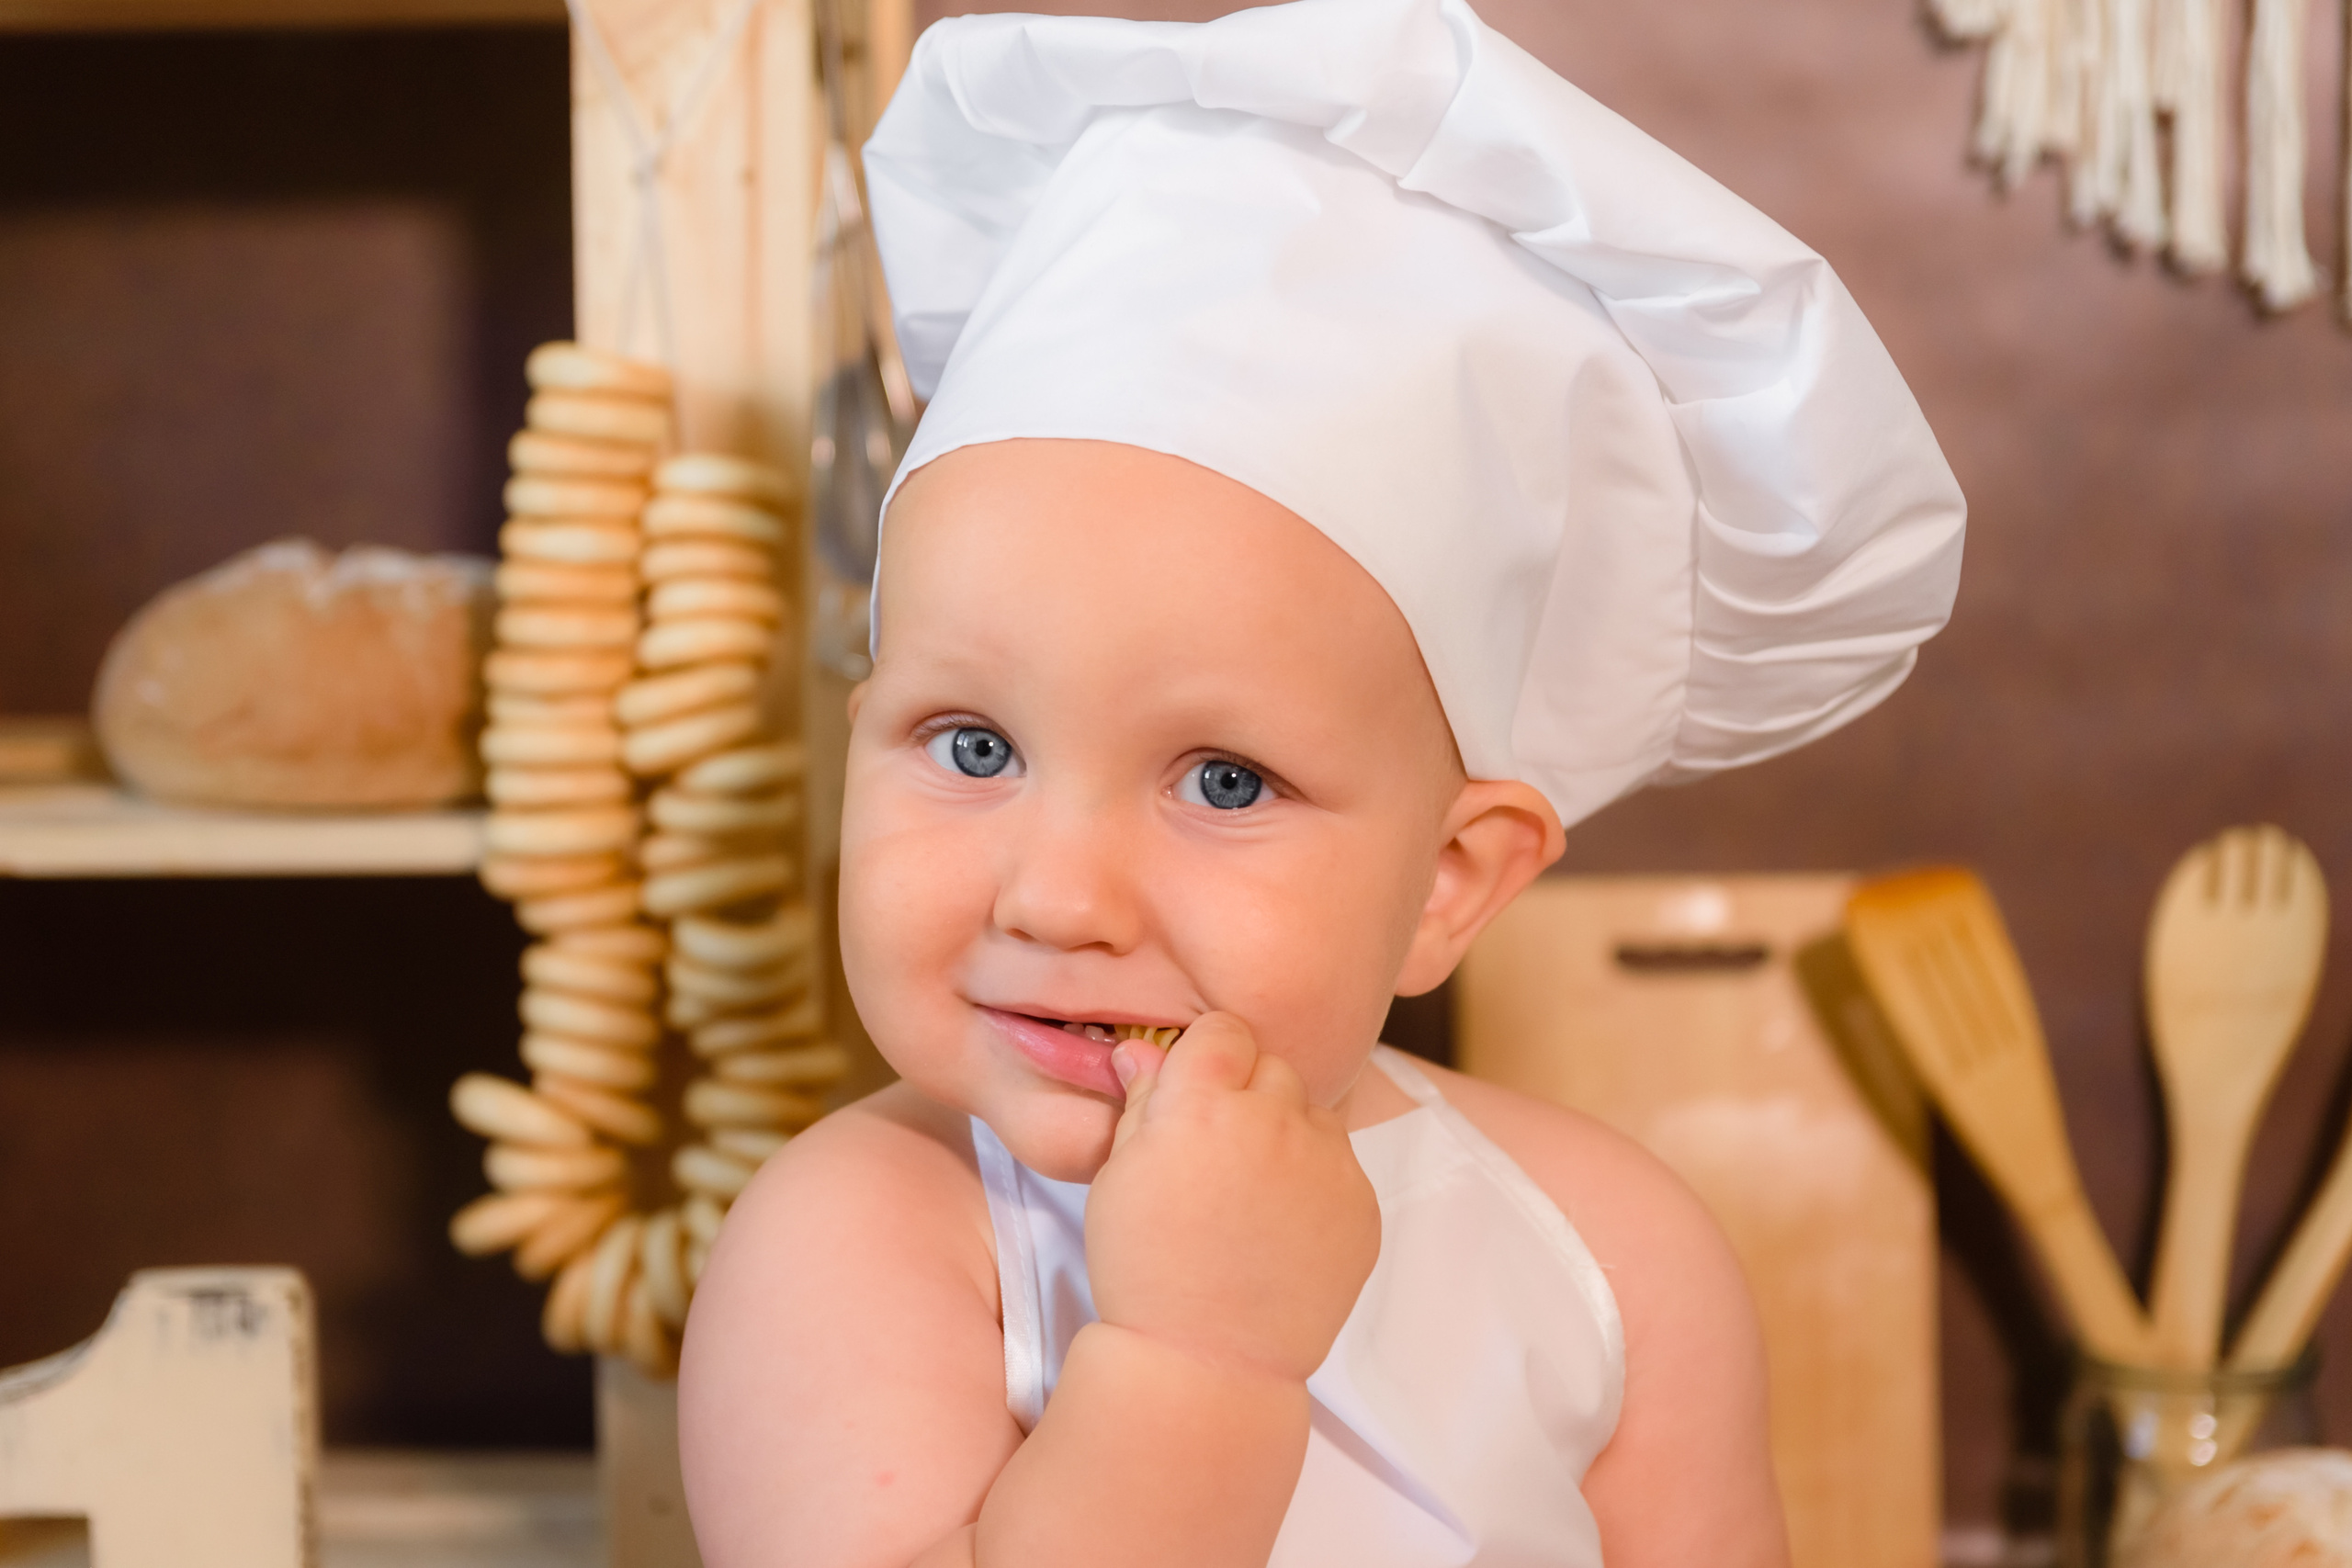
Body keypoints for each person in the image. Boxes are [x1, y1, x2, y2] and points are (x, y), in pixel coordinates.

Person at [679, 1, 1965, 1563]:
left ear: (1448, 882)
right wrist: (1195, 1365)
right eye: (975, 749)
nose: (1057, 894)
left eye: (1222, 781)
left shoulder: (1612, 1254)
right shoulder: (866, 1240)